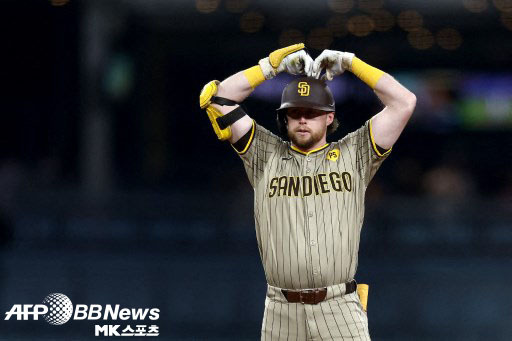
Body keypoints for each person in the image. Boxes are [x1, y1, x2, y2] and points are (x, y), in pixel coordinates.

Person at [199, 44, 416, 340]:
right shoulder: (264, 155)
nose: (303, 119)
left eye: (312, 113)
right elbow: (217, 97)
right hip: (280, 311)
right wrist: (270, 66)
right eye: (295, 112)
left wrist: (352, 63)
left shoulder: (355, 153)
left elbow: (405, 102)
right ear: (284, 118)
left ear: (329, 117)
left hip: (340, 308)